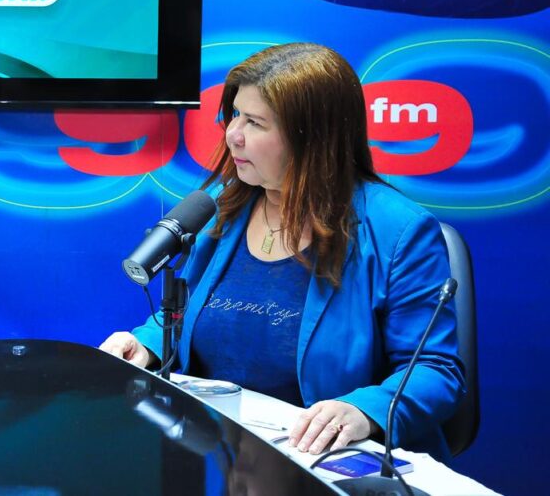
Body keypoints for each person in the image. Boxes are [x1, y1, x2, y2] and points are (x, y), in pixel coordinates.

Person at [100, 43, 464, 461]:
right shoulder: (221, 206)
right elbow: (184, 315)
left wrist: (364, 411)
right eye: (235, 114)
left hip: (321, 462)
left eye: (255, 122)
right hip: (220, 456)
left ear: (313, 138)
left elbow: (435, 370)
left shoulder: (397, 231)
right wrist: (146, 344)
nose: (232, 134)